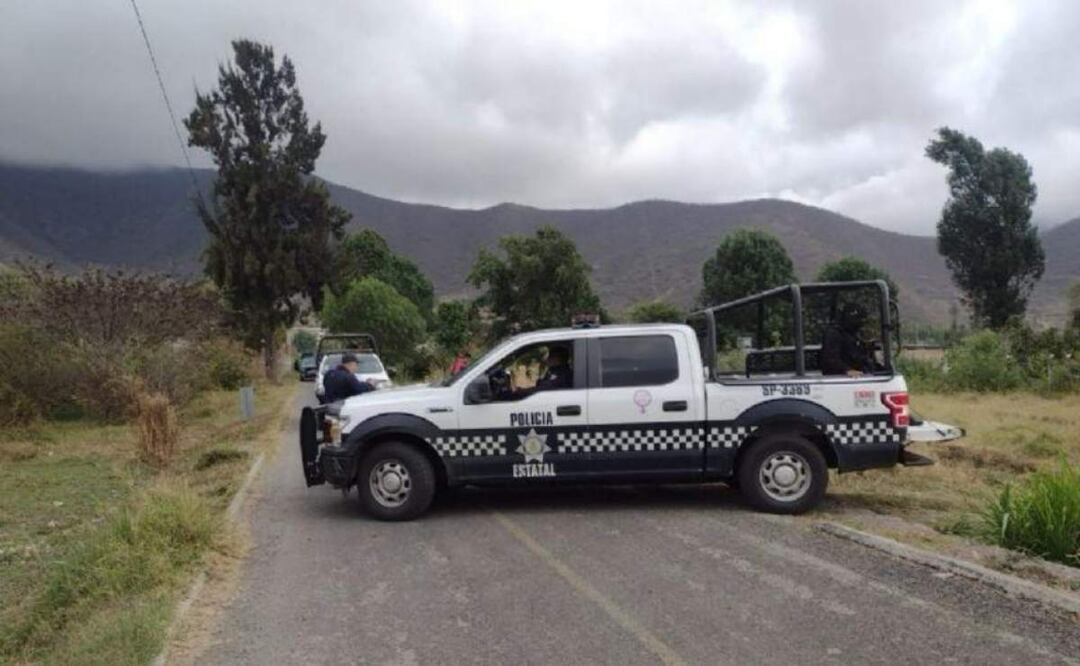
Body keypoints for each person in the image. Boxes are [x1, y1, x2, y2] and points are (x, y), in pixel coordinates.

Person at [820, 302, 876, 377]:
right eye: (857, 319)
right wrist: (846, 370)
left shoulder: (853, 334)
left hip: (859, 375)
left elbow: (858, 357)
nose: (860, 323)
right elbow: (830, 359)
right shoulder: (834, 333)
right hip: (838, 378)